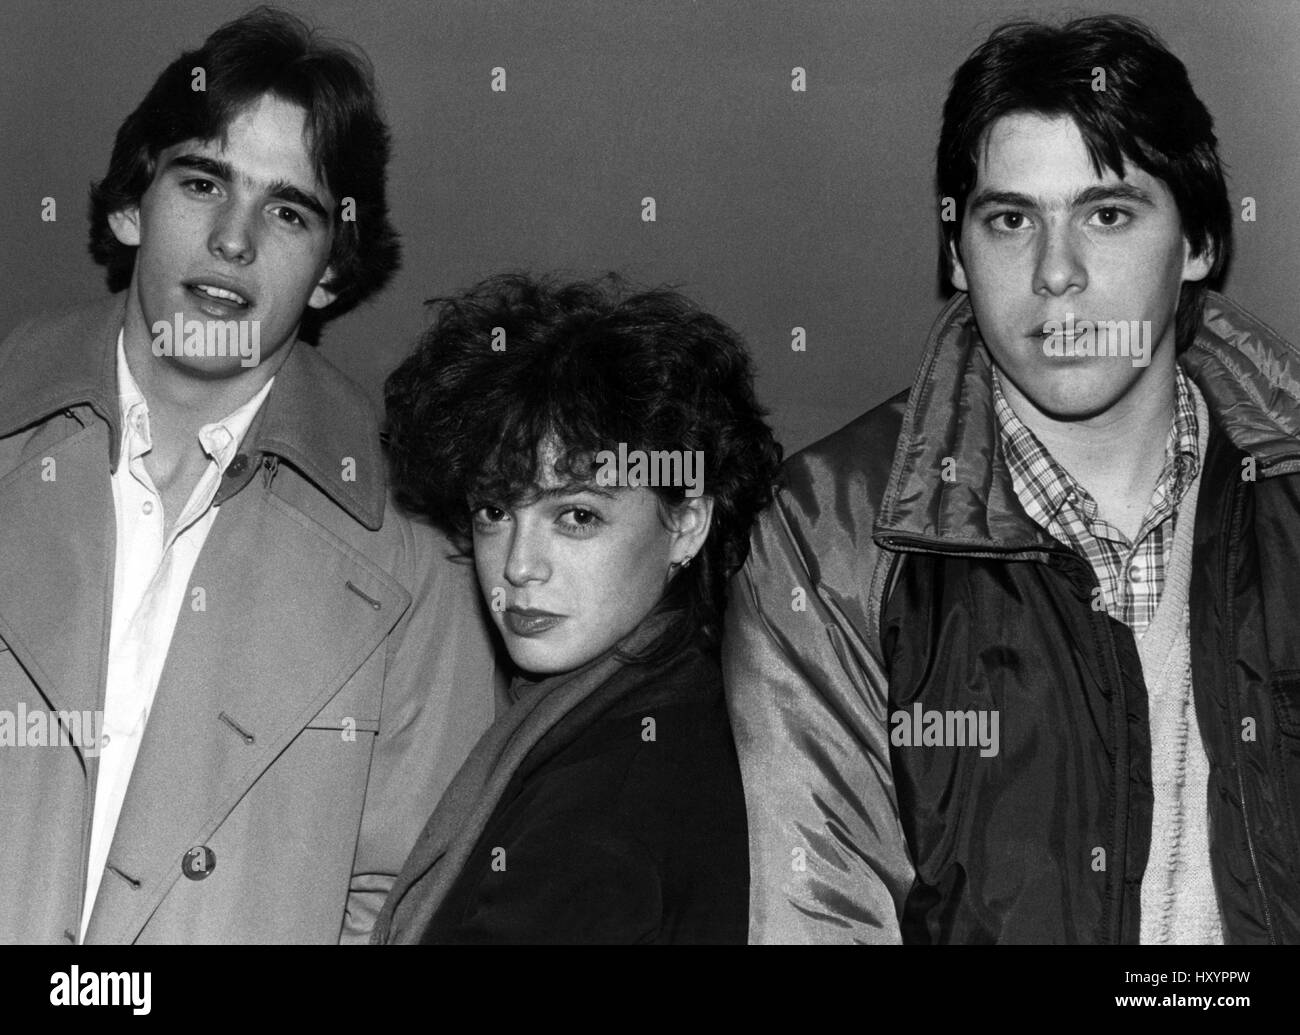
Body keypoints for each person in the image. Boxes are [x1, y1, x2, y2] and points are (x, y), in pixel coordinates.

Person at [724, 14, 1300, 944]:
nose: (1056, 274)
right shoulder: (831, 531)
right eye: (1010, 219)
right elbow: (819, 917)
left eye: (1107, 214)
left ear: (1197, 245)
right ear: (957, 253)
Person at [0, 7, 497, 944]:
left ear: (329, 275)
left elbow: (408, 908)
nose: (234, 239)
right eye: (202, 182)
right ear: (127, 207)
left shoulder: (418, 554)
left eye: (287, 210)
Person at [373, 273, 782, 943]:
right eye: (495, 509)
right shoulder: (677, 706)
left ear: (686, 523)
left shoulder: (616, 795)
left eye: (578, 515)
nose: (519, 564)